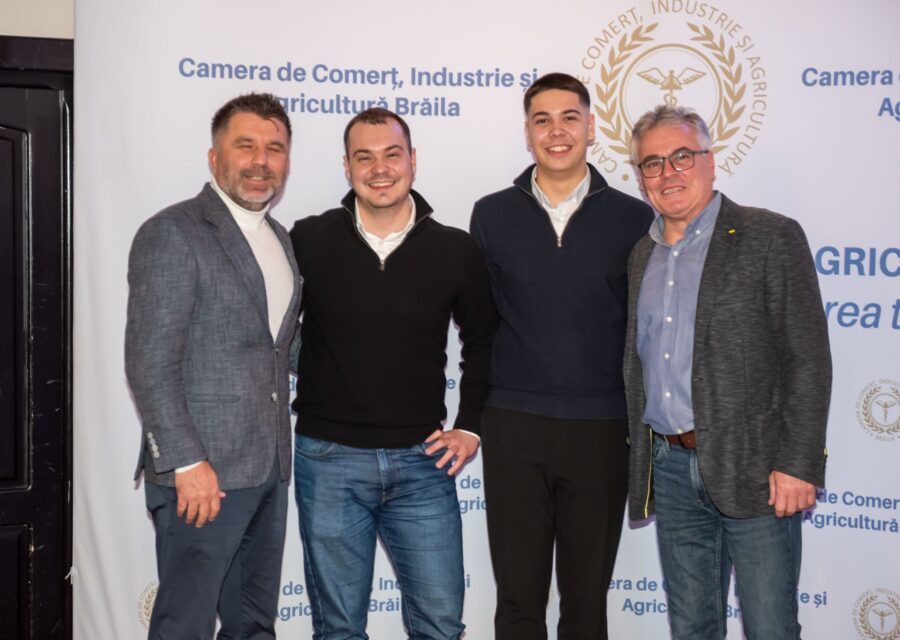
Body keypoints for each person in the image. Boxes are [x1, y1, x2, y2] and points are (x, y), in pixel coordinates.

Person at [624, 104, 831, 640]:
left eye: (681, 156)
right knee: (692, 628)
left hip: (758, 469)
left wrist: (798, 462)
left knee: (770, 628)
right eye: (652, 163)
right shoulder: (642, 255)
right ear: (641, 177)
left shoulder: (769, 236)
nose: (668, 173)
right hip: (671, 470)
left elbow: (807, 357)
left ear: (710, 161)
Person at [289, 107, 496, 640]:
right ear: (347, 167)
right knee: (338, 630)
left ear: (413, 160)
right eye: (364, 157)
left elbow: (483, 341)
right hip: (328, 461)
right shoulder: (308, 240)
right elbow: (275, 330)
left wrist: (470, 426)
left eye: (392, 154)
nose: (379, 169)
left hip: (423, 463)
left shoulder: (455, 249)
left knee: (440, 626)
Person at [469, 72, 654, 639]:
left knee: (586, 602)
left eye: (569, 118)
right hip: (514, 427)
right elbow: (481, 328)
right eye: (542, 120)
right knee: (518, 599)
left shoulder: (634, 218)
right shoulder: (490, 214)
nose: (556, 131)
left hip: (602, 430)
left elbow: (645, 331)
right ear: (527, 133)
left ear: (591, 127)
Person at [125, 93, 302, 639]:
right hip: (201, 477)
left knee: (252, 625)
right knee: (186, 626)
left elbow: (279, 349)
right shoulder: (174, 231)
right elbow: (149, 361)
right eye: (245, 145)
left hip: (267, 469)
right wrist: (186, 462)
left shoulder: (280, 238)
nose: (260, 161)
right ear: (214, 156)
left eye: (274, 148)